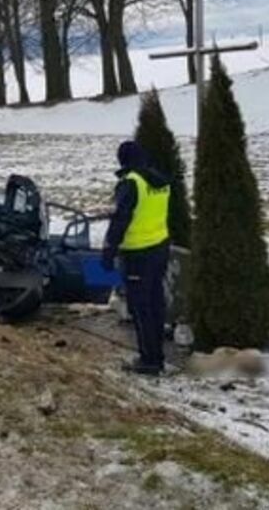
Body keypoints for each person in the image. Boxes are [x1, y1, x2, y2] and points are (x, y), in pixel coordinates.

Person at [102, 141, 172, 376]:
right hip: (160, 248)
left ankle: (149, 360)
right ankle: (158, 355)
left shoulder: (131, 183)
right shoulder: (160, 181)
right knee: (155, 303)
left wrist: (108, 252)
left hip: (137, 254)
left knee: (140, 307)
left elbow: (120, 220)